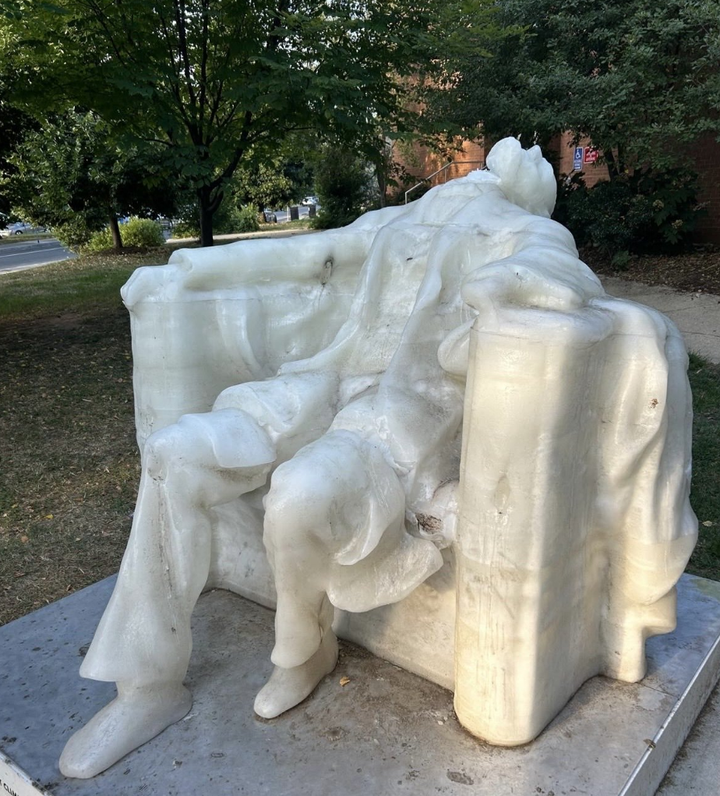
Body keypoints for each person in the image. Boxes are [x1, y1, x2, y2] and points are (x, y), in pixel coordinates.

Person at [60, 139, 605, 778]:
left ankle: (304, 648)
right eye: (478, 171)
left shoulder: (524, 231)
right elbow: (307, 249)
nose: (478, 176)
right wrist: (188, 270)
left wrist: (501, 283)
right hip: (319, 383)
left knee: (301, 494)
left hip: (395, 416)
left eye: (501, 170)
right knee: (174, 452)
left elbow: (567, 277)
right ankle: (146, 687)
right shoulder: (400, 220)